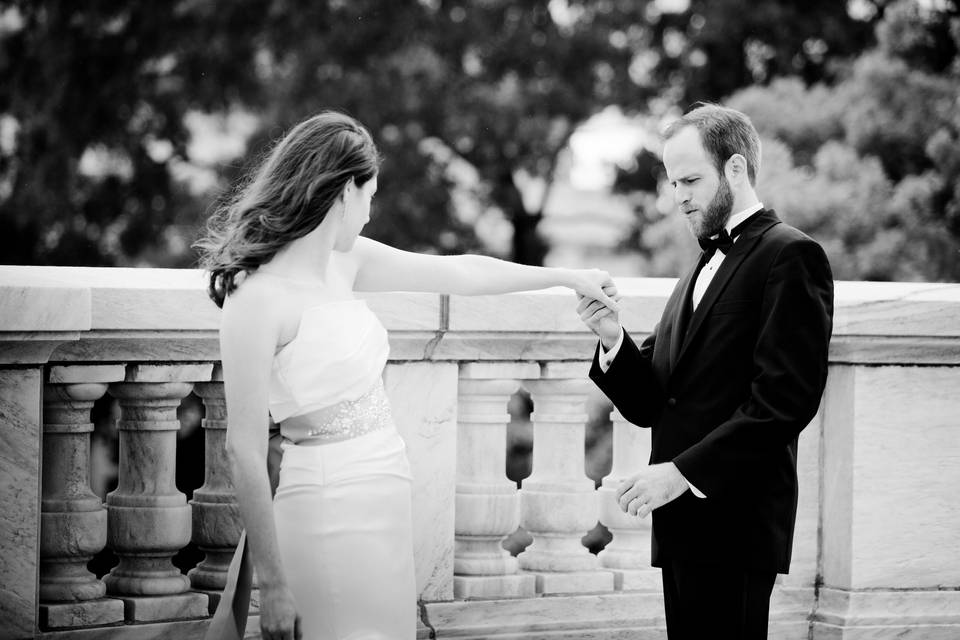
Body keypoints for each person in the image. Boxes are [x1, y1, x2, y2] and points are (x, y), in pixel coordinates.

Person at [195, 110, 619, 640]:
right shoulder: (255, 299)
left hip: (386, 491)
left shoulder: (344, 262)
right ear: (344, 190)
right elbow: (243, 449)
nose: (370, 216)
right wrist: (274, 583)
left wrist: (565, 277)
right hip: (325, 502)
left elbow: (463, 271)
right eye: (370, 197)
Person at [577, 103, 833, 639]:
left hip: (735, 529)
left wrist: (680, 473)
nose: (680, 197)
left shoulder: (791, 255)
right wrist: (611, 338)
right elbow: (652, 401)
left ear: (735, 169)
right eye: (674, 183)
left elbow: (785, 402)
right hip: (682, 530)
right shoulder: (698, 266)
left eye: (691, 179)